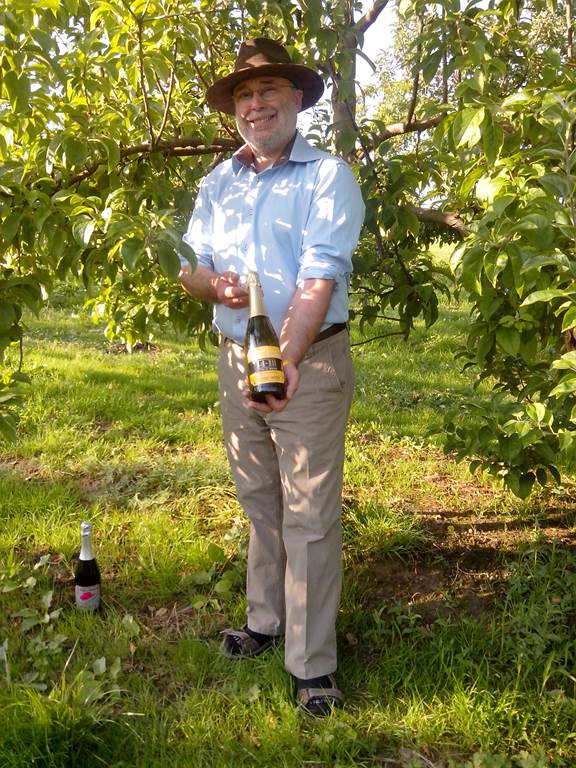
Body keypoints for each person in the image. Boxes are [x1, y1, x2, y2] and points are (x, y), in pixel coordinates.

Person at [179, 37, 365, 716]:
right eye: (245, 95)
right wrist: (214, 286)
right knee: (259, 499)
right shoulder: (217, 184)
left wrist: (284, 359)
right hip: (236, 359)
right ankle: (266, 619)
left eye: (269, 91)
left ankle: (312, 666)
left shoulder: (328, 178)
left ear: (296, 99)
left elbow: (319, 277)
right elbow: (190, 265)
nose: (255, 105)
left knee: (308, 513)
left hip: (307, 363)